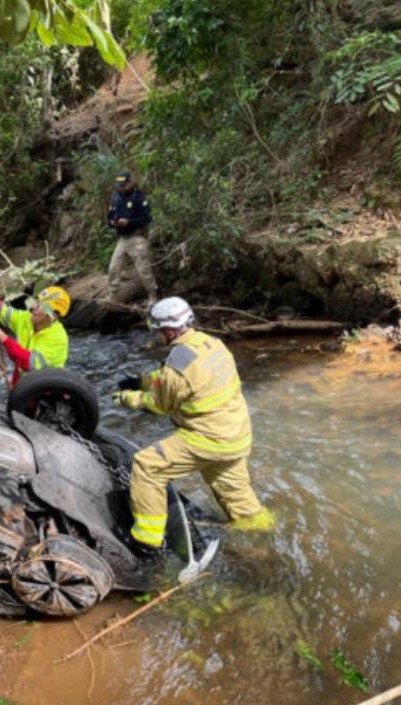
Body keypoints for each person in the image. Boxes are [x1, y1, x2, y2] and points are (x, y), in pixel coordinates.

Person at [112, 296, 273, 552]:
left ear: (168, 331)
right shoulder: (212, 344)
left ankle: (147, 540)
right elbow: (188, 378)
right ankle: (263, 536)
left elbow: (160, 404)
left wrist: (127, 398)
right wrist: (142, 380)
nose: (158, 336)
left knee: (147, 466)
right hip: (236, 434)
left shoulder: (177, 366)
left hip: (206, 437)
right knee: (235, 492)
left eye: (158, 332)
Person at [0, 270, 70, 387]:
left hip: (45, 391)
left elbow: (31, 364)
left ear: (53, 314)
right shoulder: (26, 319)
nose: (34, 307)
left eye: (41, 306)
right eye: (37, 302)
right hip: (22, 385)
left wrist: (4, 339)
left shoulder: (58, 338)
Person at [106, 170, 158, 304]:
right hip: (122, 239)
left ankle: (152, 295)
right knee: (113, 268)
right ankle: (113, 295)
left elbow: (147, 218)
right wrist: (113, 222)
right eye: (119, 186)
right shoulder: (116, 197)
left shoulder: (139, 197)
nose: (121, 188)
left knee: (143, 268)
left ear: (131, 182)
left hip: (137, 237)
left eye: (124, 185)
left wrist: (129, 222)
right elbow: (110, 216)